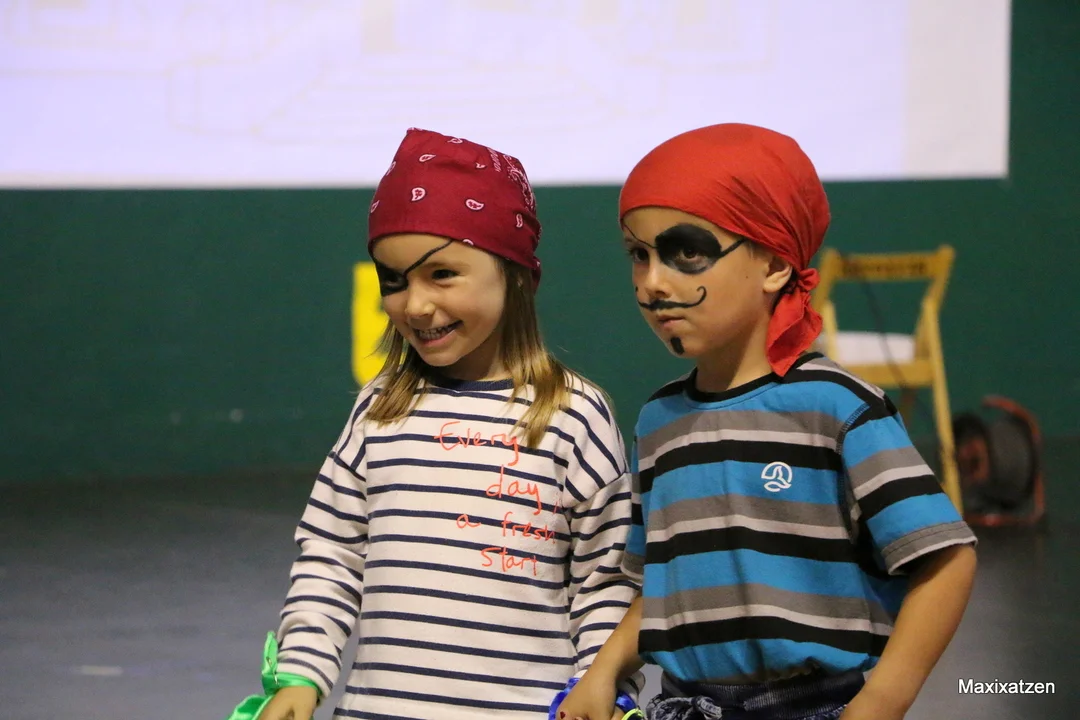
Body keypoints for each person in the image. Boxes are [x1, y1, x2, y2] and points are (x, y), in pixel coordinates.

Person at [555, 123, 978, 720]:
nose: (653, 282)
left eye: (686, 253)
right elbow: (661, 588)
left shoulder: (836, 406)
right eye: (638, 255)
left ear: (776, 264)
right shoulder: (658, 423)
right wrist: (603, 672)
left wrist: (881, 700)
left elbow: (946, 559)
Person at [248, 128, 642, 719]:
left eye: (442, 275)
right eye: (394, 280)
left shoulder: (572, 415)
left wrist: (603, 686)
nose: (415, 305)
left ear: (513, 272)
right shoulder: (379, 409)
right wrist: (301, 674)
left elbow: (605, 579)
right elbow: (331, 553)